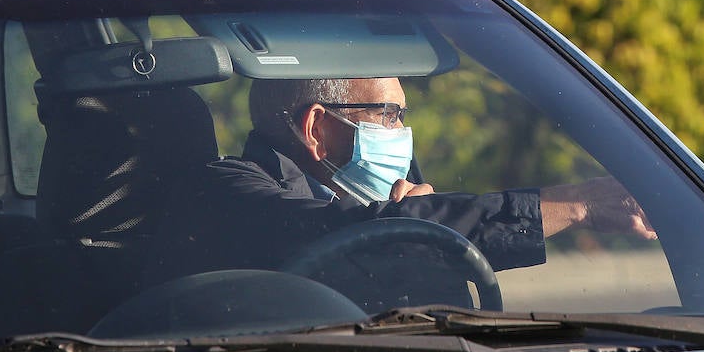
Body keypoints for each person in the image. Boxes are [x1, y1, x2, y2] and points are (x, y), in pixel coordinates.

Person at [194, 74, 655, 275]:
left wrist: (414, 221)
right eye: (390, 115)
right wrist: (582, 206)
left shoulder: (364, 197)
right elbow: (349, 235)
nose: (402, 133)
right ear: (317, 128)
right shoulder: (232, 191)